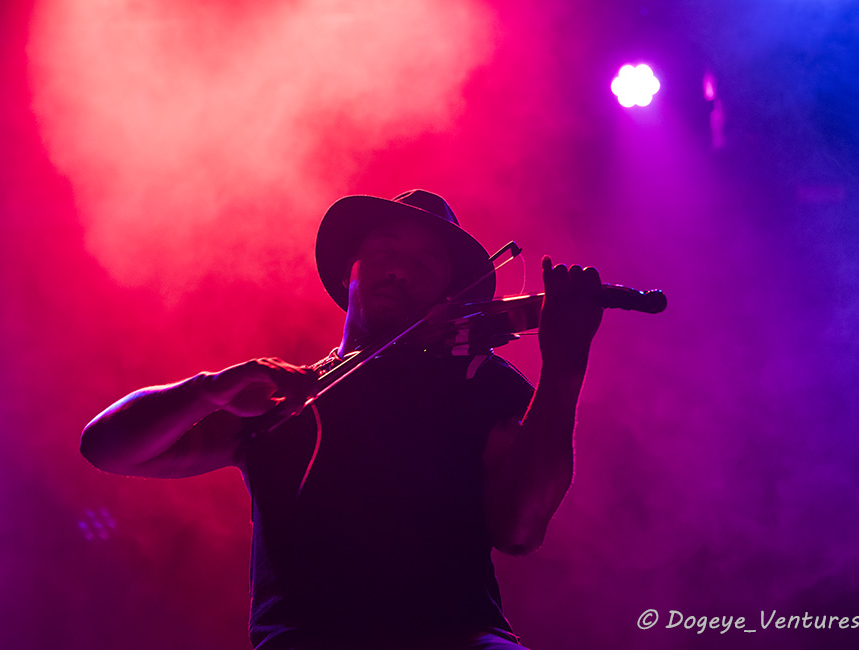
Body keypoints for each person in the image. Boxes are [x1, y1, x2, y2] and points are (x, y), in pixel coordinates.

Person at [80, 190, 603, 650]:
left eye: (425, 263)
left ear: (450, 294)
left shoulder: (482, 384)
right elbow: (105, 446)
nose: (401, 268)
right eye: (386, 252)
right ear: (351, 269)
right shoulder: (285, 399)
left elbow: (520, 530)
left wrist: (564, 367)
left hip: (462, 637)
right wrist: (209, 387)